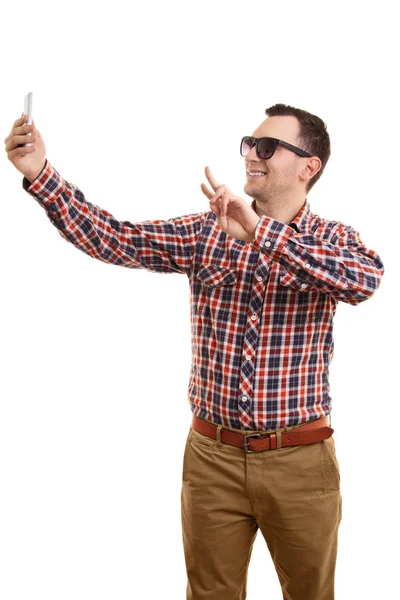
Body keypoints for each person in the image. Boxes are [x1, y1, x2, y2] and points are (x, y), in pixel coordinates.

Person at [4, 103, 384, 599]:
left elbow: (363, 280)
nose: (251, 155)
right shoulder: (205, 231)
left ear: (307, 166)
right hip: (212, 460)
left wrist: (259, 233)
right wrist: (41, 176)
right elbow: (115, 238)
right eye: (248, 144)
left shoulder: (333, 239)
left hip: (301, 462)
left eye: (266, 147)